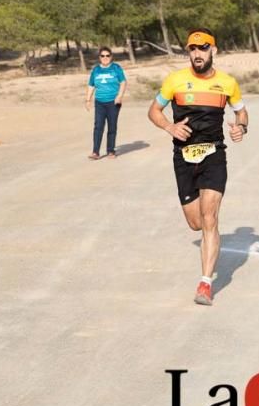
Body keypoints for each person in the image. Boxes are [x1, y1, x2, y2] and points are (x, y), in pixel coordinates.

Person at [147, 28, 248, 306]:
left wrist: (241, 127)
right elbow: (153, 110)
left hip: (214, 154)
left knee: (210, 218)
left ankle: (205, 284)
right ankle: (208, 245)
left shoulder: (227, 83)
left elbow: (241, 112)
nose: (197, 54)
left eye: (203, 49)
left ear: (213, 51)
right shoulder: (175, 81)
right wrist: (169, 126)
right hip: (183, 156)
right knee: (195, 223)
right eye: (192, 49)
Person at [84, 47, 126, 159]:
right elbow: (91, 85)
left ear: (111, 56)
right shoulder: (96, 70)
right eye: (102, 56)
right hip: (99, 102)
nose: (105, 58)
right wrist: (88, 100)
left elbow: (123, 82)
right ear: (99, 57)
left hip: (113, 102)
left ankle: (111, 151)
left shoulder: (116, 68)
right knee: (98, 126)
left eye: (107, 55)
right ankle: (95, 152)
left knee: (112, 126)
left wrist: (119, 96)